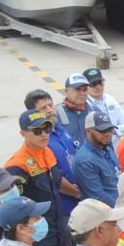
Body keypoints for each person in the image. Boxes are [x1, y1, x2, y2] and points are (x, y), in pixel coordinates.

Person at [5, 108, 71, 246]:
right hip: (39, 233)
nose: (44, 134)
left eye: (47, 128)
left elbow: (57, 182)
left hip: (59, 226)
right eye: (37, 131)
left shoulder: (47, 152)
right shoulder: (17, 165)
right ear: (23, 133)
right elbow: (13, 204)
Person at [25, 89, 82, 223]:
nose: (50, 110)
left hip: (79, 202)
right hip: (65, 209)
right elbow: (55, 178)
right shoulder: (41, 142)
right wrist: (78, 193)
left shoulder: (60, 129)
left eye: (51, 105)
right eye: (43, 108)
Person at [74, 112, 121, 207]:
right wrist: (122, 208)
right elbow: (97, 197)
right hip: (107, 213)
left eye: (110, 130)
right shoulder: (84, 160)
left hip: (120, 204)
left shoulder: (106, 147)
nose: (108, 134)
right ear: (88, 131)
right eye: (102, 131)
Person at [85, 67, 124, 141]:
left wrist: (115, 130)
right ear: (86, 87)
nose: (98, 87)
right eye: (93, 84)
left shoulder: (109, 99)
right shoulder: (85, 105)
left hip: (115, 147)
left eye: (100, 83)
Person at [56, 73, 98, 148]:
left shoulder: (95, 111)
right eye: (77, 89)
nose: (82, 93)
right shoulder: (55, 113)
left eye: (85, 90)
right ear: (66, 91)